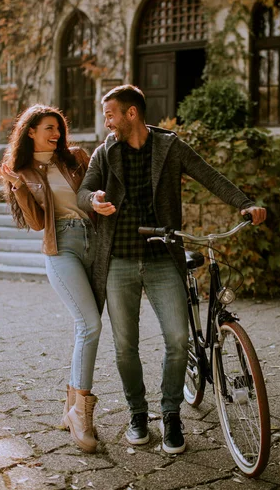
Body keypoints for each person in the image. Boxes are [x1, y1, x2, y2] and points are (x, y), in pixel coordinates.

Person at [77, 84, 266, 454]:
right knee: (125, 346)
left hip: (164, 259)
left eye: (110, 113)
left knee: (178, 340)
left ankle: (171, 415)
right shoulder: (105, 153)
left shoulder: (170, 147)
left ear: (132, 113)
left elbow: (209, 175)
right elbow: (85, 192)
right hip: (119, 261)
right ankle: (136, 413)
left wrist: (244, 203)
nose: (106, 121)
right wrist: (94, 200)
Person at [0, 105, 101, 454]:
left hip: (96, 243)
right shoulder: (23, 171)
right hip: (61, 247)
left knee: (86, 327)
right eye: (49, 128)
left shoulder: (77, 158)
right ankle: (81, 414)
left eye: (59, 129)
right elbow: (37, 224)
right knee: (90, 325)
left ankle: (71, 406)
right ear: (31, 132)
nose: (56, 134)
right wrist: (19, 188)